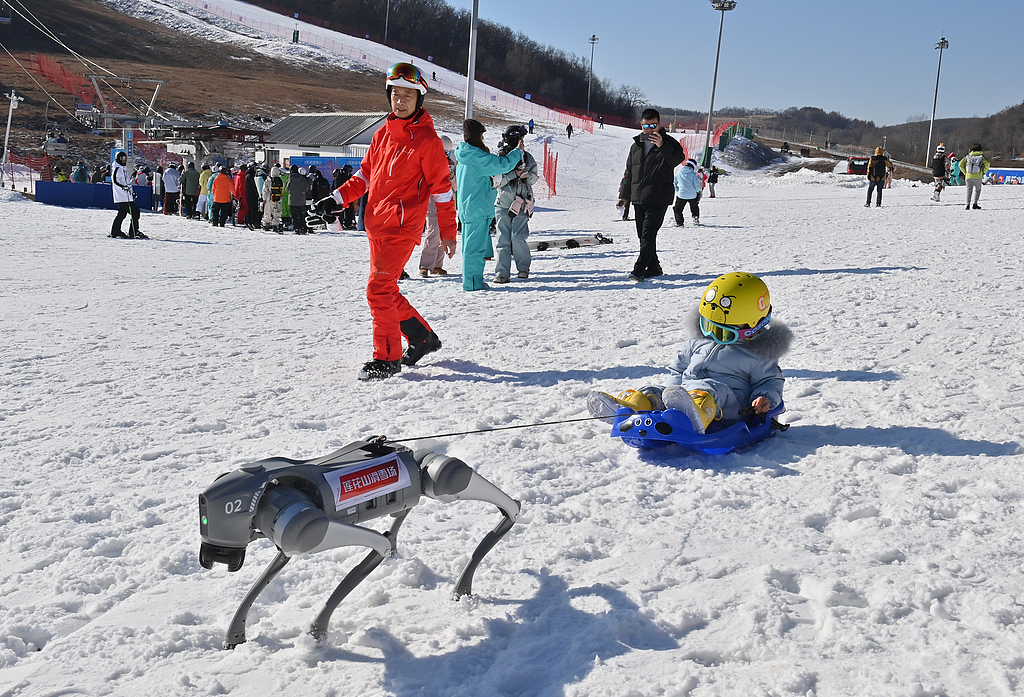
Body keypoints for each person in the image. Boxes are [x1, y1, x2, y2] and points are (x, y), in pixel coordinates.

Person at [317, 62, 457, 381]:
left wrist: (448, 232)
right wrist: (337, 198)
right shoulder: (382, 134)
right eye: (396, 94)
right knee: (387, 290)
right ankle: (422, 338)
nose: (401, 101)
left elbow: (443, 192)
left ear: (419, 99)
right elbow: (364, 175)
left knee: (378, 289)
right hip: (376, 226)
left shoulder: (428, 142)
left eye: (409, 95)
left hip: (403, 229)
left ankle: (387, 359)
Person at [587, 272, 791, 434]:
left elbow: (770, 382)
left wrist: (764, 398)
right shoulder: (697, 342)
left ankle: (694, 415)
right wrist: (667, 395)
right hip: (685, 393)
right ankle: (629, 408)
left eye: (722, 331)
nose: (710, 334)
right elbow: (678, 368)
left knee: (709, 388)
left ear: (753, 325)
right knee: (653, 390)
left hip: (729, 408)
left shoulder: (758, 355)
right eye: (707, 326)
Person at [616, 108, 685, 282]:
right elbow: (629, 172)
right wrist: (624, 196)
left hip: (659, 198)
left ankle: (639, 270)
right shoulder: (636, 146)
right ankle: (654, 267)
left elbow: (677, 159)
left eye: (653, 125)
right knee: (642, 236)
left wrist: (662, 145)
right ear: (641, 125)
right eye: (646, 126)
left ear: (659, 124)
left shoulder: (669, 143)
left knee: (648, 234)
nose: (650, 129)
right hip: (639, 198)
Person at [455, 119, 523, 291]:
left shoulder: (465, 155)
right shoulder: (476, 157)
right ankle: (472, 283)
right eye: (482, 135)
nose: (484, 139)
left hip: (469, 207)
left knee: (473, 248)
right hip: (477, 208)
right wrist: (518, 152)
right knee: (474, 250)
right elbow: (502, 165)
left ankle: (473, 280)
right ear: (477, 136)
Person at [492, 124, 538, 284]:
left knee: (518, 237)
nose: (522, 142)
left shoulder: (527, 157)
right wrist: (513, 174)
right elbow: (496, 181)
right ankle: (502, 273)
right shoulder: (501, 158)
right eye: (520, 139)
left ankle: (523, 268)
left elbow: (534, 178)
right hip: (503, 203)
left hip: (522, 202)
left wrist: (526, 176)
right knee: (502, 240)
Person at [419, 136, 457, 277]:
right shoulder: (429, 162)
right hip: (433, 201)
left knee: (443, 234)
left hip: (447, 201)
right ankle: (425, 265)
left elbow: (455, 185)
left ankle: (437, 265)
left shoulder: (452, 163)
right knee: (433, 232)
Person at [109, 151, 146, 239]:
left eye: (125, 159)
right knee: (135, 212)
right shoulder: (118, 168)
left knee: (122, 213)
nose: (124, 161)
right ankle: (133, 231)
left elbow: (125, 182)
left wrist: (130, 192)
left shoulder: (122, 168)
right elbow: (115, 180)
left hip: (125, 196)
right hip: (123, 196)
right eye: (122, 159)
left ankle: (115, 231)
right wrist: (123, 187)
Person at [959, 143, 991, 210]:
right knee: (977, 190)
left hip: (968, 176)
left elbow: (960, 164)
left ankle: (967, 205)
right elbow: (988, 163)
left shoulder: (968, 156)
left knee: (968, 191)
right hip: (978, 176)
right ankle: (975, 204)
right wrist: (984, 171)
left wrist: (965, 172)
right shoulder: (981, 157)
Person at [672, 159, 702, 227]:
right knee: (694, 207)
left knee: (677, 209)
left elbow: (674, 183)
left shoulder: (679, 173)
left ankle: (679, 222)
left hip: (682, 195)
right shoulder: (694, 174)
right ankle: (695, 219)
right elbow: (697, 185)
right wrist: (698, 192)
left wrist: (678, 190)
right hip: (693, 195)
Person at [286, 164, 310, 233]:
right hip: (301, 200)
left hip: (292, 200)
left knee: (294, 216)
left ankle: (296, 228)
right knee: (302, 215)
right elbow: (306, 189)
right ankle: (303, 228)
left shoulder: (290, 179)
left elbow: (287, 188)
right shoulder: (303, 179)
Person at [262, 164, 284, 232]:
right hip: (278, 198)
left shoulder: (268, 180)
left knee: (267, 212)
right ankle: (275, 225)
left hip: (269, 198)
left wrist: (264, 198)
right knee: (277, 213)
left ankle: (266, 224)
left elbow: (265, 190)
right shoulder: (281, 180)